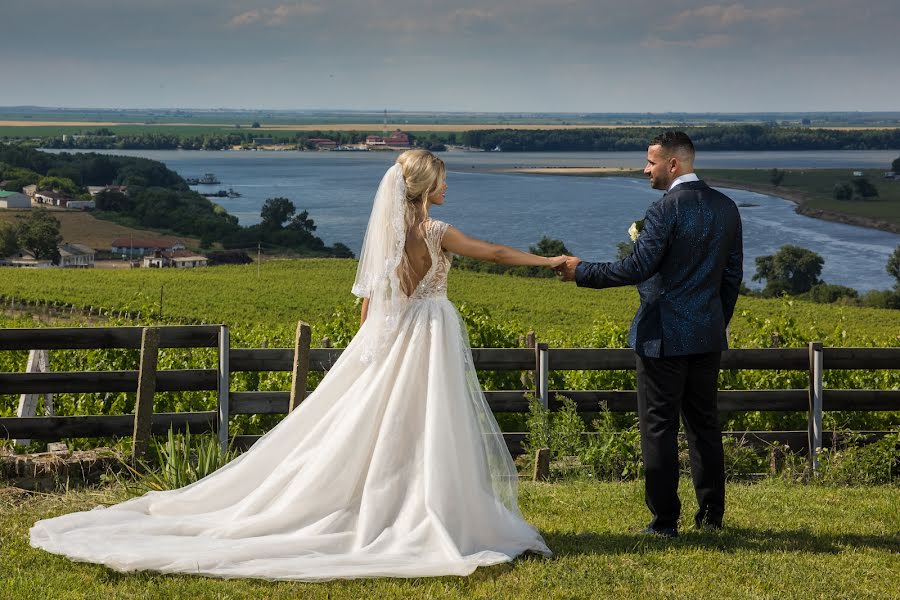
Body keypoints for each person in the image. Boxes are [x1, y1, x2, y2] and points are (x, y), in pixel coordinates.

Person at [30, 149, 557, 581]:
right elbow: (494, 253)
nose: (447, 188)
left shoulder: (390, 240)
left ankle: (393, 500)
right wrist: (549, 261)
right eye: (441, 181)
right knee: (429, 422)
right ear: (424, 188)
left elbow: (371, 304)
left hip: (395, 336)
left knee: (382, 422)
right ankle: (422, 506)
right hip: (432, 333)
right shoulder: (438, 231)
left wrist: (368, 347)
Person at [555, 131, 743, 537]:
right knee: (705, 426)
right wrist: (713, 321)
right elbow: (732, 277)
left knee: (658, 428)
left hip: (662, 337)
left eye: (651, 162)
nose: (645, 169)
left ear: (673, 165)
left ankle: (664, 522)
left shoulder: (664, 210)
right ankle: (711, 518)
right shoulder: (727, 207)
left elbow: (636, 268)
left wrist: (580, 271)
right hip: (707, 337)